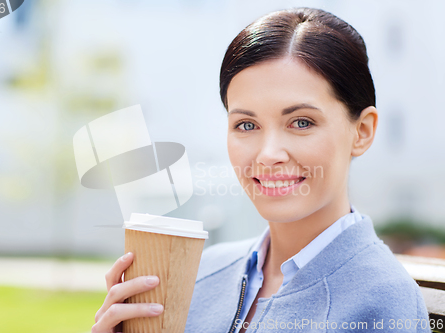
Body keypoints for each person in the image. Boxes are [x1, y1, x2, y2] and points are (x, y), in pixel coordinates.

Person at [91, 7, 431, 333]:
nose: (268, 155)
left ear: (362, 131)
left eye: (301, 122)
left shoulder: (383, 301)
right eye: (246, 125)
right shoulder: (201, 273)